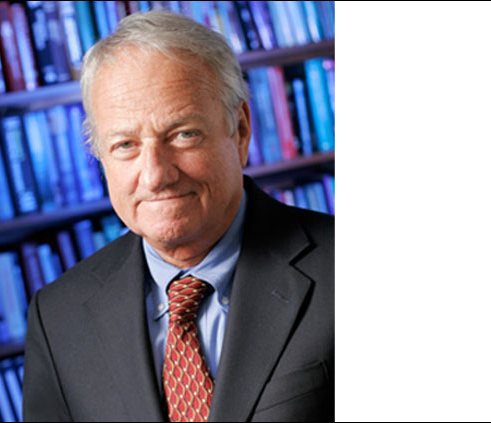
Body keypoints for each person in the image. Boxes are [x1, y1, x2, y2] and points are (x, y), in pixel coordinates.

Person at [23, 10, 333, 422]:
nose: (155, 175)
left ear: (239, 130)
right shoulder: (57, 316)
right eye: (125, 145)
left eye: (183, 134)